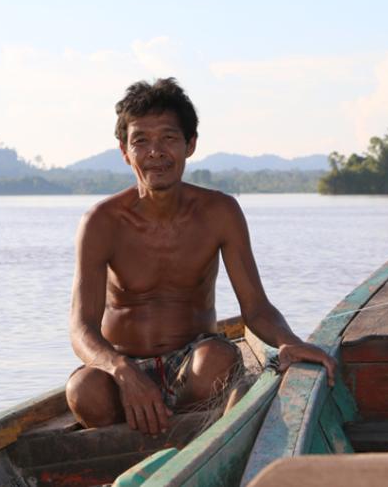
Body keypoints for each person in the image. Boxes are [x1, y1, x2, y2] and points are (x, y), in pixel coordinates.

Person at [66, 78, 337, 436]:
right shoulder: (101, 222)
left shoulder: (219, 212)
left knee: (218, 362)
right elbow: (81, 327)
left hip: (192, 361)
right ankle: (140, 436)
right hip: (123, 361)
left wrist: (288, 341)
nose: (155, 152)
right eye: (141, 141)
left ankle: (187, 435)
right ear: (125, 151)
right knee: (83, 391)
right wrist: (123, 371)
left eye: (168, 138)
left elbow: (255, 308)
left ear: (190, 144)